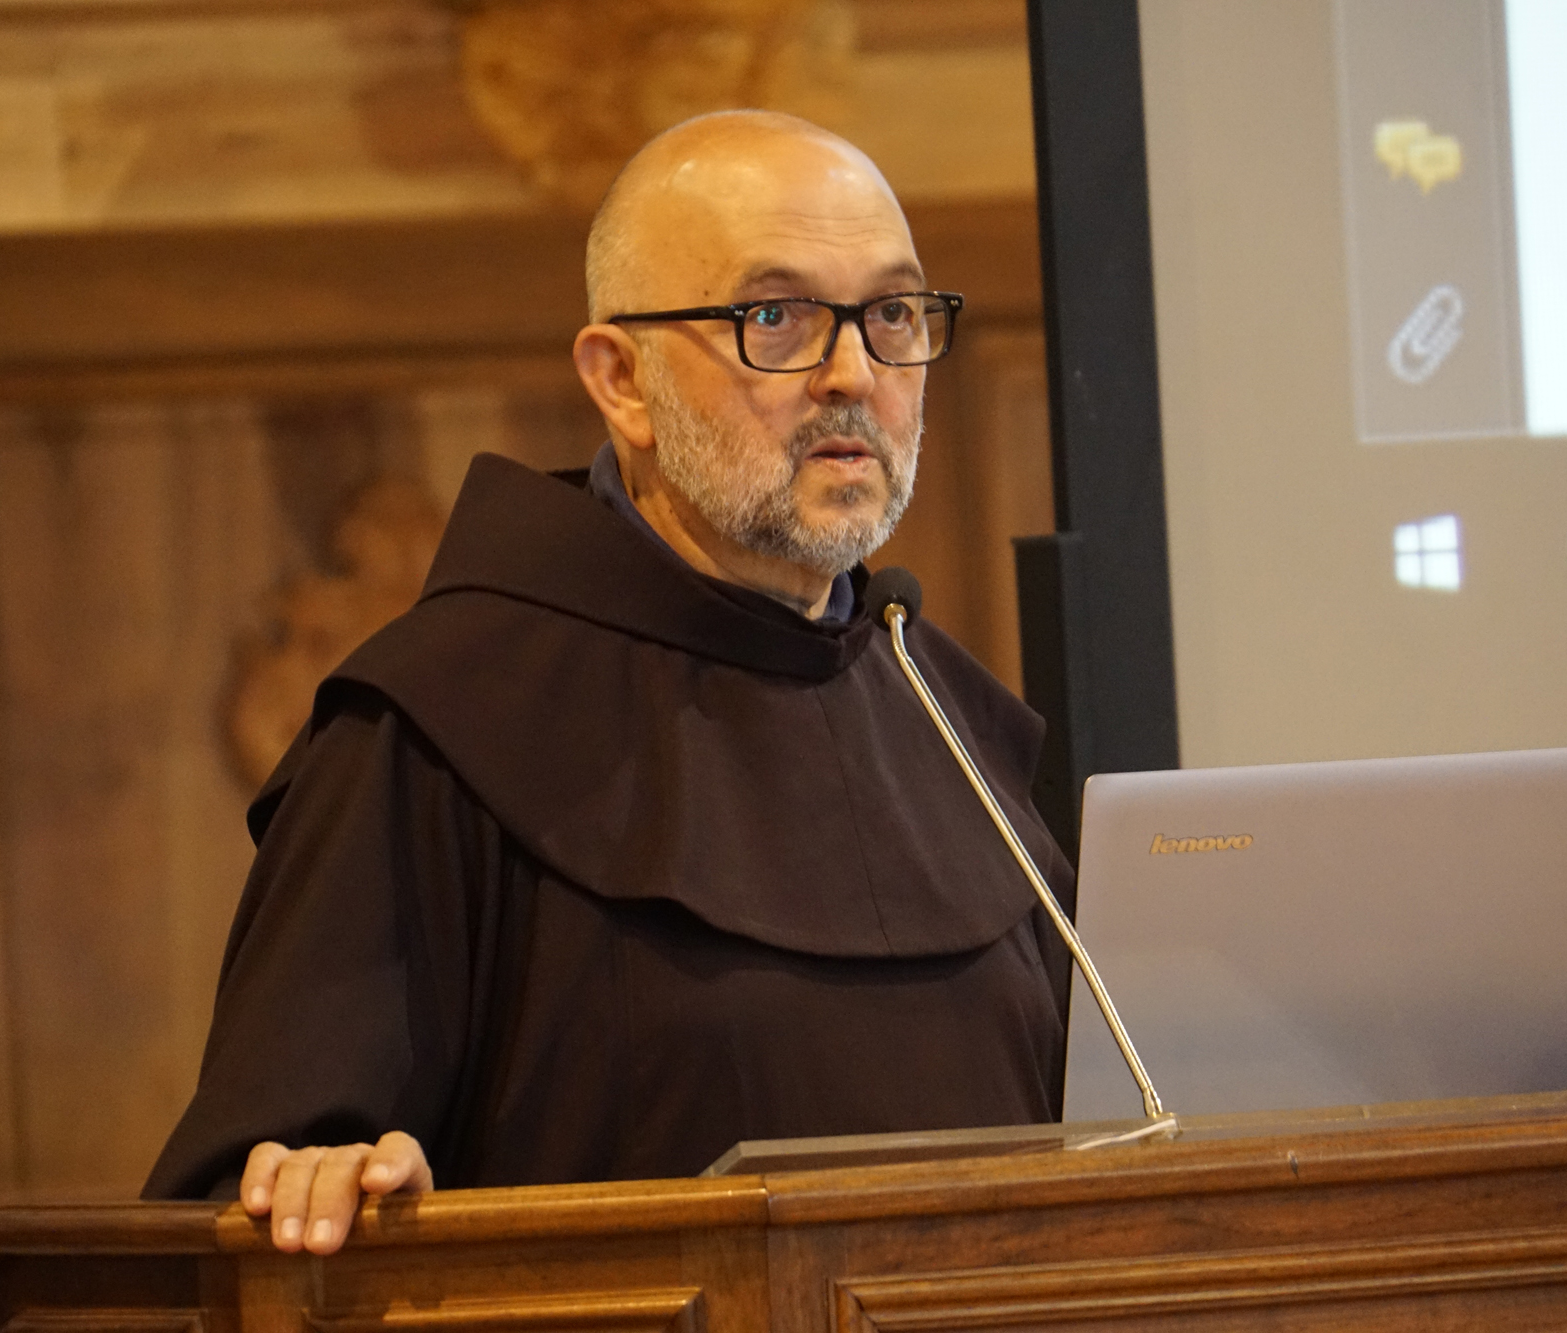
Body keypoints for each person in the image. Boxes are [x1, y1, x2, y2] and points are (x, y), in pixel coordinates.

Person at [142, 110, 1073, 1255]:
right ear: (622, 380)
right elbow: (255, 1199)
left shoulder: (950, 722)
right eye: (773, 318)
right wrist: (324, 1183)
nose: (852, 373)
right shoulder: (441, 728)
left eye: (890, 315)